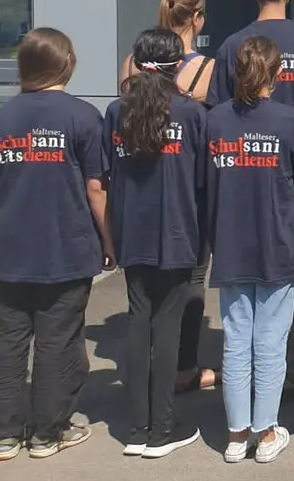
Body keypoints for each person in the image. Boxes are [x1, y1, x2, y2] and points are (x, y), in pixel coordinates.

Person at [0, 28, 111, 462]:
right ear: (67, 61)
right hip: (65, 247)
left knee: (9, 339)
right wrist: (110, 240)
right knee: (58, 340)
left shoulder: (1, 119)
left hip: (13, 248)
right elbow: (96, 189)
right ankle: (50, 432)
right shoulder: (83, 117)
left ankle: (1, 435)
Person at [207, 0, 294, 392]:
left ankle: (250, 367)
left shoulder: (231, 45)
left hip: (242, 173)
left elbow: (217, 112)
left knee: (242, 272)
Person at [204, 36, 294, 464]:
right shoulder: (293, 122)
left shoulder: (214, 121)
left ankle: (237, 434)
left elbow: (204, 184)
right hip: (278, 240)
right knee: (270, 340)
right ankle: (266, 432)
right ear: (279, 73)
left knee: (237, 340)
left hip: (230, 239)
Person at [106, 28, 208, 458]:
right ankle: (162, 428)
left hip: (132, 228)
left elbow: (107, 174)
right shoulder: (190, 113)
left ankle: (137, 427)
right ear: (176, 65)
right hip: (179, 229)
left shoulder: (116, 111)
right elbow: (204, 178)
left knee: (138, 321)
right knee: (167, 325)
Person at [119, 0, 218, 395]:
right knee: (191, 282)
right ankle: (182, 366)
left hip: (139, 186)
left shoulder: (131, 63)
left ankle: (147, 373)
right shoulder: (207, 70)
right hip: (185, 191)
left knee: (142, 296)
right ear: (196, 20)